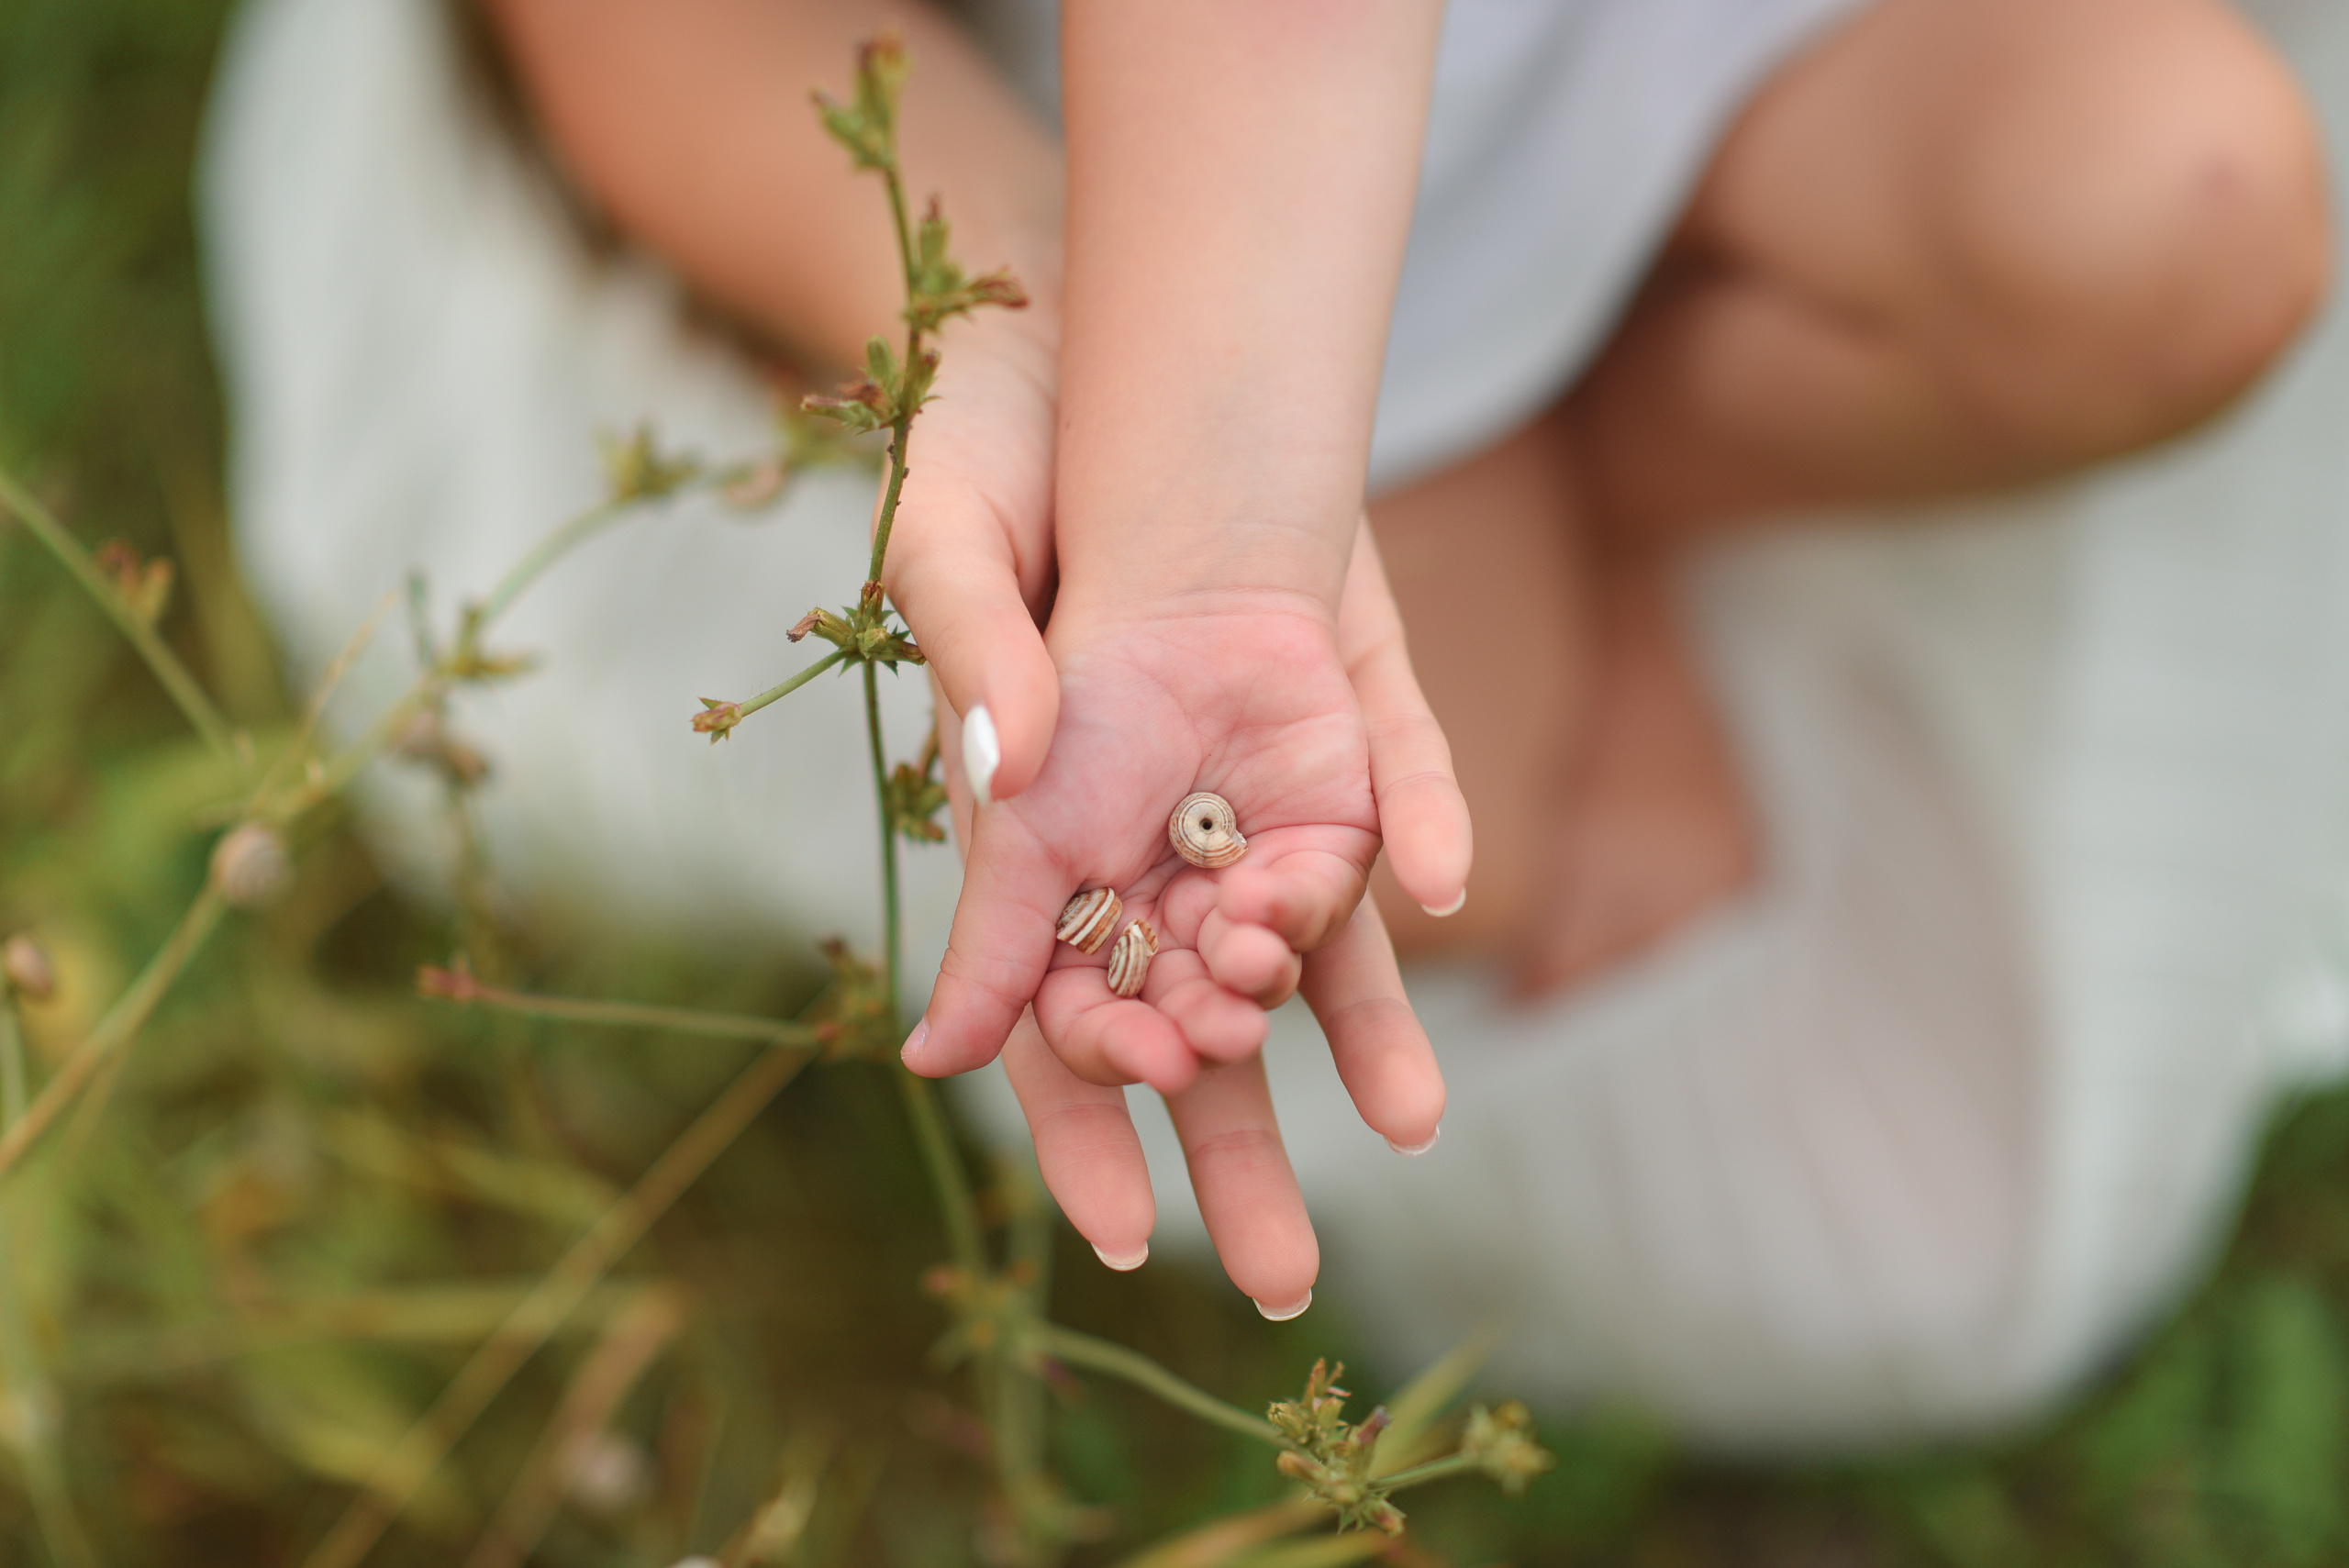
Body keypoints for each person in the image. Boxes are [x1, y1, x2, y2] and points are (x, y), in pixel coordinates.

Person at [204, 0, 2349, 1442]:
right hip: (1113, 97)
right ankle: (1443, 472)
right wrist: (1101, 382)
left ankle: (1569, 454)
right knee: (1454, 858)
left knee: (2177, 210)